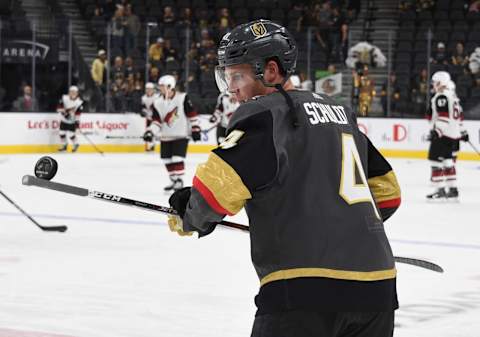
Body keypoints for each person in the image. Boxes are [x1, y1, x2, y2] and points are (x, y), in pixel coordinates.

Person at [167, 20, 401, 337]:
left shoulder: (266, 113)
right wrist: (343, 228)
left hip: (303, 293)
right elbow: (388, 193)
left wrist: (190, 214)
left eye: (238, 75)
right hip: (378, 289)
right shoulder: (341, 113)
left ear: (272, 72)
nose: (232, 87)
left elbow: (212, 195)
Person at [146, 75, 201, 192]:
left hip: (181, 135)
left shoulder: (182, 98)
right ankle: (174, 180)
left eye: (162, 86)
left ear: (170, 86)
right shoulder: (157, 103)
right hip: (166, 136)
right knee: (166, 160)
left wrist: (196, 128)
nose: (160, 88)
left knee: (177, 158)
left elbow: (192, 114)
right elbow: (156, 121)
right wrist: (150, 132)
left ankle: (179, 181)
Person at [426, 71, 468, 200]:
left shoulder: (442, 97)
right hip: (452, 135)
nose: (433, 84)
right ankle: (453, 188)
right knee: (448, 160)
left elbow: (443, 118)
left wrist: (436, 131)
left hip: (443, 134)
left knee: (435, 160)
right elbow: (458, 118)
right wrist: (463, 132)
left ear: (440, 82)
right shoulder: (453, 97)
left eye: (435, 82)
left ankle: (440, 189)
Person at [57, 86, 83, 152]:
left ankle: (76, 144)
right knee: (61, 133)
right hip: (64, 120)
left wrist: (77, 123)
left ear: (77, 93)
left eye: (74, 92)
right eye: (71, 92)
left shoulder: (79, 102)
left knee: (71, 135)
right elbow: (59, 108)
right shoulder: (64, 98)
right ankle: (64, 145)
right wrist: (65, 114)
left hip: (72, 121)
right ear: (69, 92)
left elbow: (78, 114)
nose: (73, 93)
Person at [141, 82, 159, 151]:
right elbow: (143, 107)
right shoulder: (143, 98)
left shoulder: (157, 97)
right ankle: (151, 144)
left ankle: (152, 144)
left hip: (156, 117)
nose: (148, 90)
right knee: (149, 130)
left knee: (152, 129)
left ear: (153, 90)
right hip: (149, 116)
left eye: (150, 89)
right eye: (147, 89)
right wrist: (143, 111)